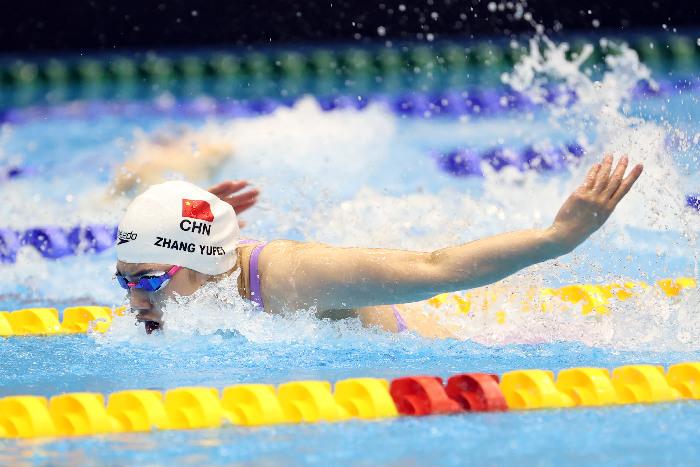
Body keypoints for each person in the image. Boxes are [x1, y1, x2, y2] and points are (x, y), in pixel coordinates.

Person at [115, 155, 643, 335]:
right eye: (127, 279)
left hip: (460, 348)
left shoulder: (293, 276)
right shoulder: (198, 275)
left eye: (149, 281)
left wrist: (559, 238)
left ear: (199, 263)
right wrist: (198, 219)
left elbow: (436, 268)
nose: (136, 300)